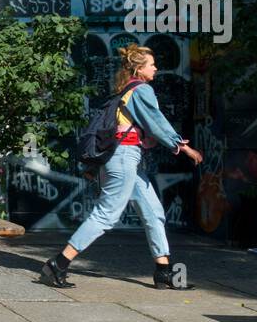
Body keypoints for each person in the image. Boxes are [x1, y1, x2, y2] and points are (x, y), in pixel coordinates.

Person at [40, 45, 203, 289]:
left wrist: (96, 168)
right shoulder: (141, 90)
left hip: (126, 159)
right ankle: (58, 264)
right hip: (125, 158)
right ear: (139, 68)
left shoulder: (124, 92)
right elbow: (156, 123)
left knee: (153, 212)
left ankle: (163, 271)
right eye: (151, 64)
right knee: (107, 215)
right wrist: (181, 146)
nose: (156, 68)